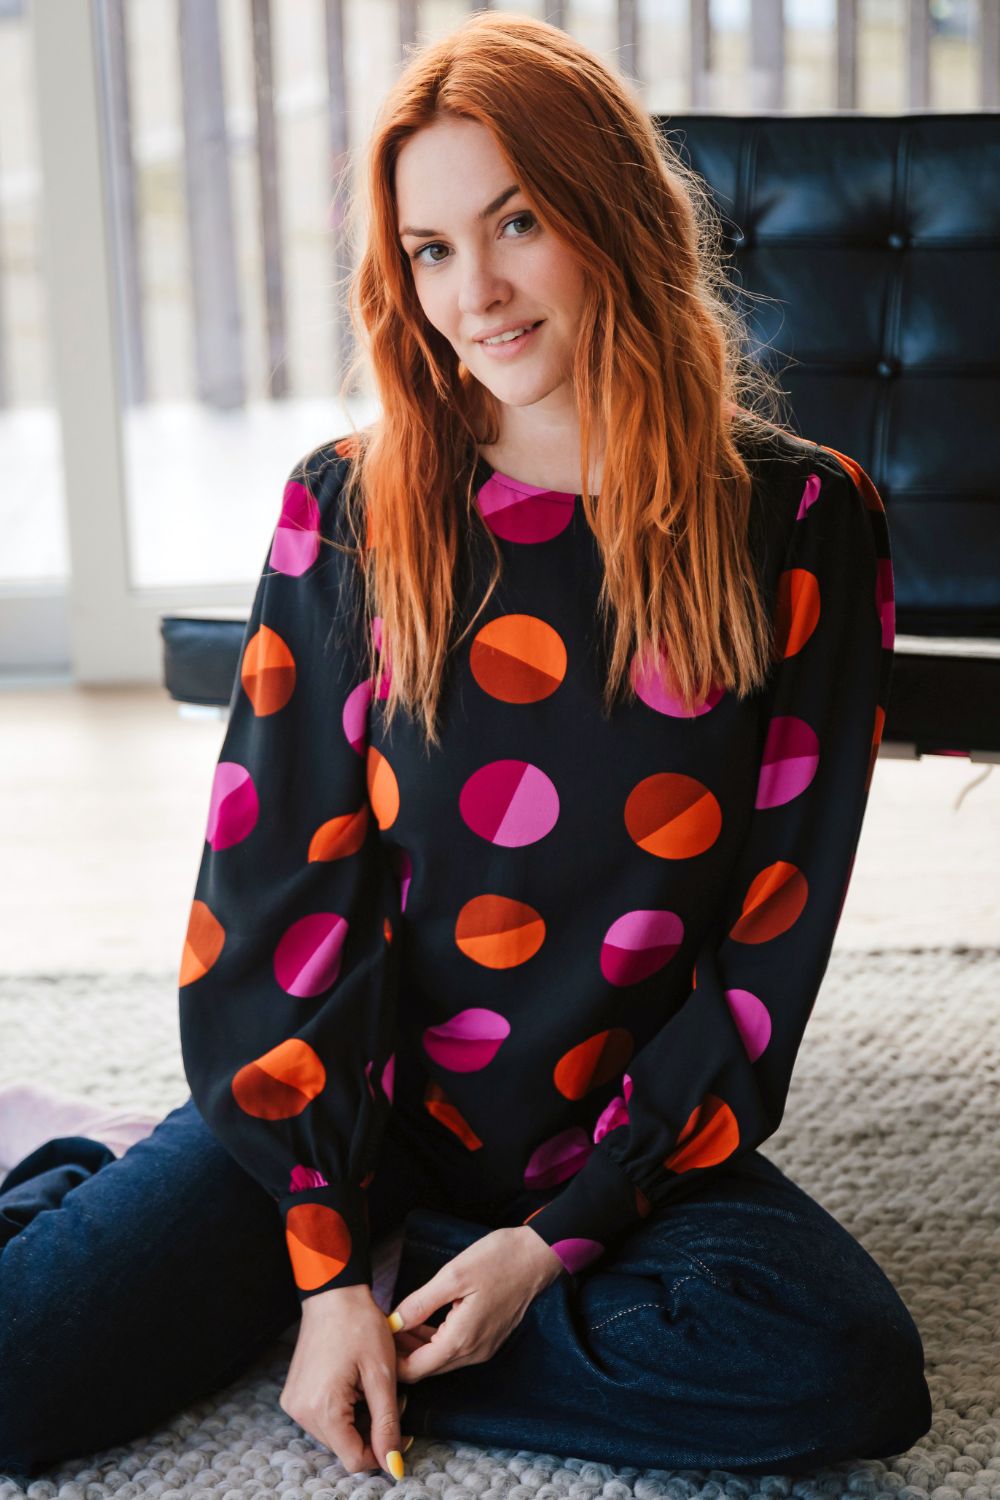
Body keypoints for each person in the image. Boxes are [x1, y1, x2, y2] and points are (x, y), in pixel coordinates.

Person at [0, 10, 931, 1486]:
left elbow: (767, 954)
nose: (475, 291)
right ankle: (262, 1270)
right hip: (349, 1117)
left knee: (839, 1375)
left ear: (612, 214)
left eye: (516, 223)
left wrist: (552, 1244)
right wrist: (322, 1263)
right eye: (430, 249)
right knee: (21, 1379)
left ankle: (399, 1304)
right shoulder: (351, 509)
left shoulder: (804, 522)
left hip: (612, 1153)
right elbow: (279, 908)